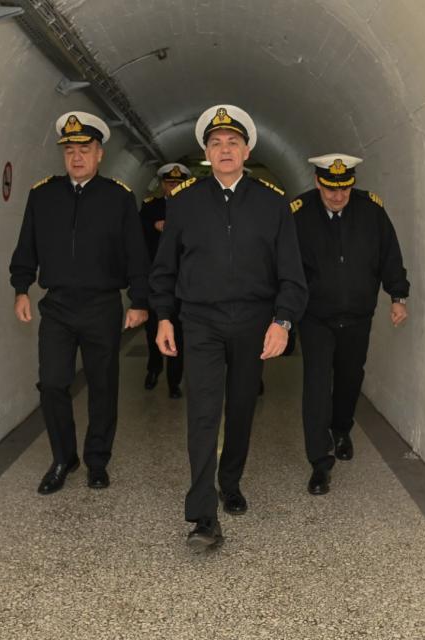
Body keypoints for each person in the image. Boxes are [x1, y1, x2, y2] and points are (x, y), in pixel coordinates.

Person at [150, 105, 308, 550]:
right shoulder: (184, 203)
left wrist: (282, 321)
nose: (224, 149)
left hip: (254, 322)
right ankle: (203, 515)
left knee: (240, 406)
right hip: (200, 320)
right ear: (206, 152)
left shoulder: (272, 204)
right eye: (216, 143)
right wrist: (164, 316)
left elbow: (292, 274)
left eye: (233, 142)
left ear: (247, 150)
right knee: (203, 412)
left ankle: (230, 481)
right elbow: (164, 268)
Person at [9, 111, 149, 495]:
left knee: (103, 385)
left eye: (85, 149)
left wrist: (140, 301)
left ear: (100, 153)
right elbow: (26, 247)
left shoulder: (118, 198)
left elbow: (137, 255)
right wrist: (21, 288)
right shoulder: (43, 196)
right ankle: (63, 457)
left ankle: (97, 460)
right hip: (57, 306)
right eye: (70, 150)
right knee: (52, 383)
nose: (76, 157)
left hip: (102, 305)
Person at [290, 154, 409, 496]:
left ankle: (341, 429)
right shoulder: (299, 214)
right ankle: (319, 462)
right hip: (315, 317)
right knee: (316, 385)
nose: (338, 195)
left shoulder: (371, 212)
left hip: (357, 315)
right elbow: (285, 265)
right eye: (331, 188)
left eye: (344, 188)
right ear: (318, 182)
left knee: (349, 377)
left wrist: (398, 296)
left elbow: (390, 254)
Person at [139, 163, 190, 398]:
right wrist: (154, 226)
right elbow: (138, 239)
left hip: (183, 282)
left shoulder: (194, 208)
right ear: (163, 185)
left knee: (179, 332)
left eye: (178, 183)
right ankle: (154, 368)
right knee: (153, 329)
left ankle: (174, 381)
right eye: (170, 183)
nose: (174, 187)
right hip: (156, 281)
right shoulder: (151, 207)